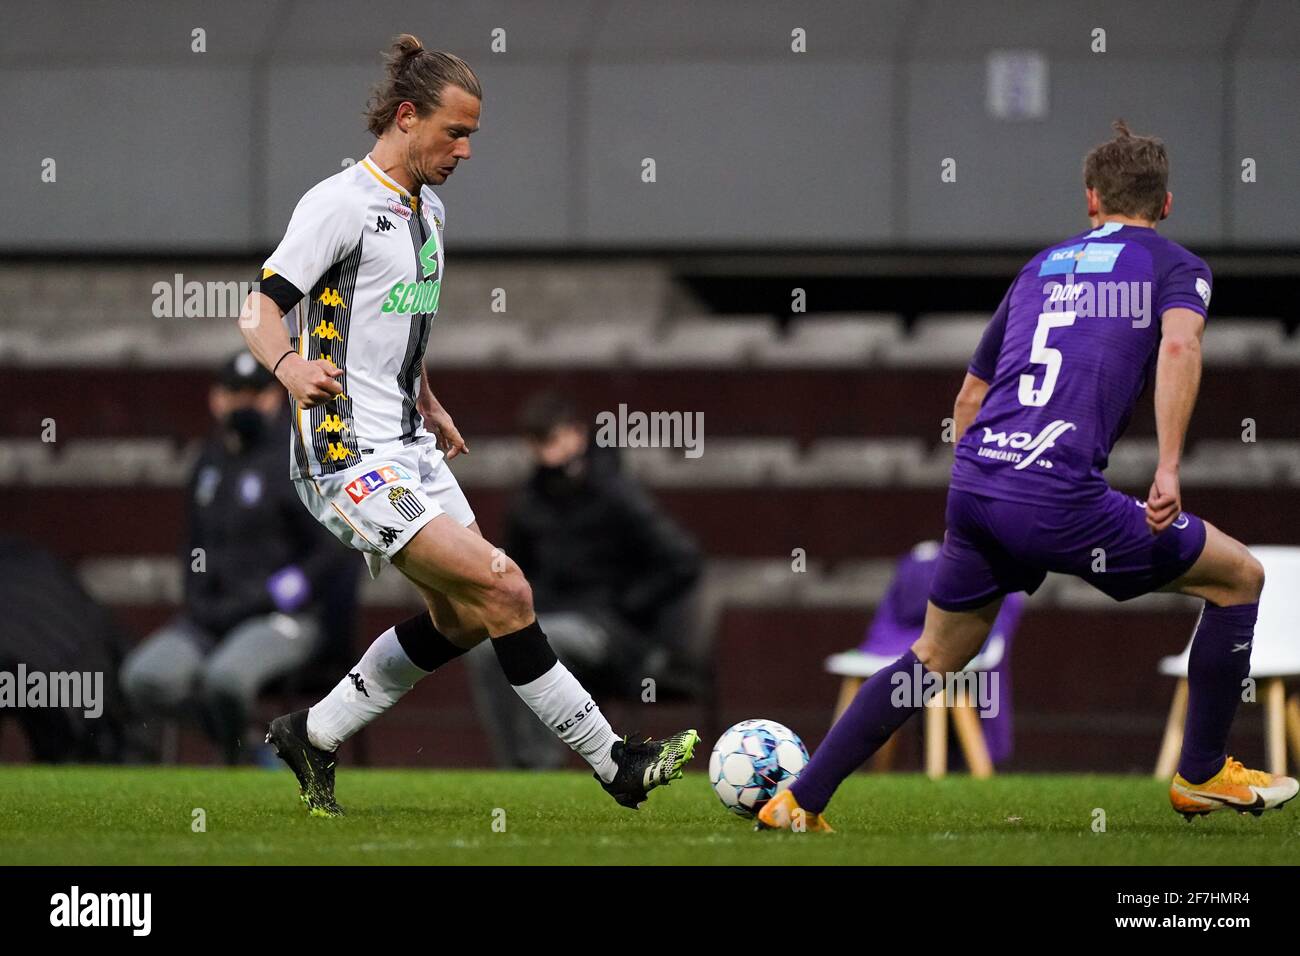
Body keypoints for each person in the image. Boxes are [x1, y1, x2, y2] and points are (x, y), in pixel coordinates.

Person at [759, 121, 1298, 832]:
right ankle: (1202, 773)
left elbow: (969, 399)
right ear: (1165, 205)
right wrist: (1168, 466)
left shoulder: (1040, 267)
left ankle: (797, 798)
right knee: (1239, 579)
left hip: (980, 483)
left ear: (1091, 200)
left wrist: (985, 485)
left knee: (935, 653)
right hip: (1057, 493)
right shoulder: (1175, 266)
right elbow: (1180, 343)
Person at [238, 34, 697, 816]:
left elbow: (395, 326)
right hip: (348, 455)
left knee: (461, 617)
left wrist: (428, 396)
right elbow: (258, 308)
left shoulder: (431, 209)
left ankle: (311, 733)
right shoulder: (339, 204)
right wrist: (286, 369)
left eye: (473, 134)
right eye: (456, 131)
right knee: (504, 587)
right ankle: (613, 761)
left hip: (409, 444)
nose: (466, 149)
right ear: (407, 117)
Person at [119, 352, 347, 763]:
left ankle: (247, 754)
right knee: (143, 678)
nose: (244, 404)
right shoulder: (207, 463)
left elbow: (332, 548)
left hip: (280, 618)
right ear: (216, 399)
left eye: (254, 394)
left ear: (274, 399)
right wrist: (198, 600)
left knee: (225, 680)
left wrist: (282, 593)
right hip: (211, 619)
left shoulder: (299, 459)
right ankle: (252, 746)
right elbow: (192, 545)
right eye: (234, 394)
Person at [466, 392, 703, 768]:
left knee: (540, 642)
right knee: (486, 648)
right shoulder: (529, 502)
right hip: (551, 619)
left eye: (554, 438)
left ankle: (539, 767)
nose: (549, 453)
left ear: (577, 434)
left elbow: (682, 560)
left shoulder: (616, 492)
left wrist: (626, 606)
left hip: (614, 633)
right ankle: (515, 769)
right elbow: (515, 573)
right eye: (539, 442)